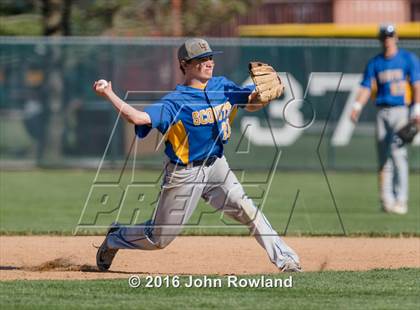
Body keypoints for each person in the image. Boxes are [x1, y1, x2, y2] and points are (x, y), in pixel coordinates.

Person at [93, 38, 301, 272]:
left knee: (248, 209)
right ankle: (115, 237)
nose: (209, 63)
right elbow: (138, 118)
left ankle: (286, 259)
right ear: (185, 64)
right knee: (158, 239)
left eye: (210, 57)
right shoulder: (175, 102)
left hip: (217, 166)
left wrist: (262, 99)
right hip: (184, 173)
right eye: (201, 59)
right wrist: (109, 93)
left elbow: (250, 102)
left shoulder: (222, 86)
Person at [350, 24, 420, 215]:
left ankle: (401, 200)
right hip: (382, 112)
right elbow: (366, 87)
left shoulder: (408, 59)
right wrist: (356, 106)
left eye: (390, 35)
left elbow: (416, 85)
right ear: (380, 39)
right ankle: (386, 200)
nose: (387, 39)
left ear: (396, 37)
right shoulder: (375, 63)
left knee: (398, 154)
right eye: (384, 36)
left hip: (401, 111)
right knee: (383, 158)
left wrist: (417, 109)